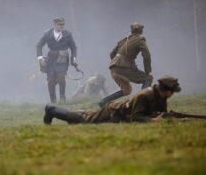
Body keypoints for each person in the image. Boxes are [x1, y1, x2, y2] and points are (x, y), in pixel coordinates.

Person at [43, 75, 181, 124]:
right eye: (172, 91)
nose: (173, 93)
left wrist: (167, 116)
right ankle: (52, 110)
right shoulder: (144, 96)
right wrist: (152, 121)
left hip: (117, 111)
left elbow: (159, 111)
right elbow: (137, 117)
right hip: (114, 112)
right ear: (166, 90)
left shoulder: (161, 95)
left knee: (89, 115)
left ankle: (84, 112)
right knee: (84, 120)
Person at [98, 22, 153, 108]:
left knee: (127, 91)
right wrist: (148, 71)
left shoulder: (123, 40)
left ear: (131, 31)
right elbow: (146, 56)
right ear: (141, 31)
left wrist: (118, 63)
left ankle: (104, 101)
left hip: (113, 68)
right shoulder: (140, 40)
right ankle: (141, 104)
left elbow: (112, 54)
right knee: (148, 78)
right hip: (122, 69)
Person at [36, 17, 77, 103]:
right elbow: (39, 45)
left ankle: (62, 99)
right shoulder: (48, 33)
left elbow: (73, 47)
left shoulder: (67, 34)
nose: (62, 26)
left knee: (61, 78)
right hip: (51, 59)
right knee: (50, 80)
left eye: (63, 24)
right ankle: (53, 101)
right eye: (60, 24)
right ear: (55, 25)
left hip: (62, 58)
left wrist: (74, 58)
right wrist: (40, 58)